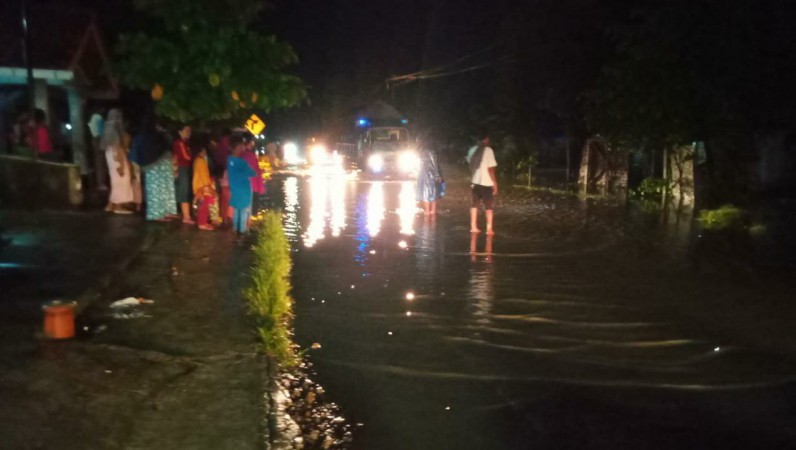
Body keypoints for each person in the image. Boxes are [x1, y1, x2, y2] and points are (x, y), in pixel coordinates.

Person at [129, 116, 177, 221]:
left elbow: (136, 153)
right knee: (161, 190)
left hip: (155, 167)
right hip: (160, 166)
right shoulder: (156, 136)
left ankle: (162, 212)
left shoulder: (146, 137)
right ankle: (160, 213)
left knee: (159, 190)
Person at [101, 109, 134, 214]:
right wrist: (120, 165)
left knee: (115, 182)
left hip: (111, 158)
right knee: (122, 181)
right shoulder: (114, 131)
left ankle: (110, 205)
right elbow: (117, 149)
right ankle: (119, 206)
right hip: (117, 158)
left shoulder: (107, 131)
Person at [466, 132, 498, 234]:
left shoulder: (472, 150)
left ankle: (473, 227)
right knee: (488, 206)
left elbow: (470, 165)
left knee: (475, 204)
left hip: (475, 181)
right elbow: (491, 169)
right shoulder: (488, 150)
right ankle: (489, 229)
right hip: (486, 182)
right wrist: (495, 183)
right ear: (486, 139)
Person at [228, 136, 257, 239]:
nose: (242, 148)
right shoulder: (242, 162)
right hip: (244, 191)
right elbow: (253, 173)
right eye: (241, 146)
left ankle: (236, 230)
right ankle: (242, 232)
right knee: (244, 212)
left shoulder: (229, 160)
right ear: (238, 147)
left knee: (236, 212)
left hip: (235, 190)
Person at [173, 125, 194, 224]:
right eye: (186, 130)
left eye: (189, 130)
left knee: (184, 191)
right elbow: (187, 157)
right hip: (182, 168)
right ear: (179, 132)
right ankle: (186, 216)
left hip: (184, 168)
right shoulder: (180, 143)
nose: (188, 132)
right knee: (183, 192)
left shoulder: (185, 143)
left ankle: (184, 214)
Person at [416, 142, 444, 215]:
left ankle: (427, 212)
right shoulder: (432, 152)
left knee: (425, 193)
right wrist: (438, 175)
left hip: (422, 174)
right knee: (433, 193)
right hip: (430, 174)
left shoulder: (420, 153)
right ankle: (432, 212)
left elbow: (418, 166)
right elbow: (434, 165)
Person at [192, 145, 216, 231]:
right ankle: (202, 223)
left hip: (199, 186)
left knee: (202, 206)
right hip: (203, 187)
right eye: (204, 151)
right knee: (203, 206)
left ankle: (203, 222)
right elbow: (204, 175)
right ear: (201, 151)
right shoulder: (201, 161)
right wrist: (208, 186)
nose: (205, 153)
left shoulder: (196, 160)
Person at [88, 107, 108, 190]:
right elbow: (102, 131)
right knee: (101, 162)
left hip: (94, 139)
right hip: (99, 140)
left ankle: (99, 182)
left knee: (98, 162)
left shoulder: (92, 117)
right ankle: (101, 183)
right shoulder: (99, 117)